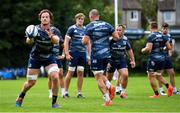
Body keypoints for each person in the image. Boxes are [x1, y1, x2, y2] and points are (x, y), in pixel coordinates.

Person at [16, 9, 62, 108]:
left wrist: (51, 36)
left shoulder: (54, 30)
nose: (45, 18)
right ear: (40, 19)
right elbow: (28, 42)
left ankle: (54, 102)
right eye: (43, 17)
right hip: (35, 58)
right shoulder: (35, 29)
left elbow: (57, 41)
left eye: (47, 17)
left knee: (55, 76)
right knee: (31, 82)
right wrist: (30, 37)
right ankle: (21, 95)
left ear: (50, 19)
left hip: (49, 57)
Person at [82, 9, 120, 106]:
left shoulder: (89, 26)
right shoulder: (107, 25)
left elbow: (85, 42)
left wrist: (85, 39)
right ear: (98, 16)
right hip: (107, 54)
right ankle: (110, 86)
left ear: (91, 17)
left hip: (96, 55)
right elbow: (116, 38)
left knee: (98, 77)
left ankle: (107, 100)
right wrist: (107, 43)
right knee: (100, 73)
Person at [141, 21, 173, 98]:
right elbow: (169, 48)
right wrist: (161, 48)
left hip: (153, 59)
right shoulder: (163, 36)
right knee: (158, 75)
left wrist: (143, 50)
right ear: (157, 27)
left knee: (150, 75)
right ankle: (169, 86)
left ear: (150, 28)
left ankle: (156, 94)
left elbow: (148, 49)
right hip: (162, 59)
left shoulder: (151, 36)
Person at [63, 13, 91, 98]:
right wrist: (67, 53)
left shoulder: (86, 29)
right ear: (76, 19)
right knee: (70, 72)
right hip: (73, 53)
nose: (81, 20)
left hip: (82, 54)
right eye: (79, 19)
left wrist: (89, 56)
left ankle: (79, 93)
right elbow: (66, 42)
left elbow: (89, 43)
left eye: (82, 19)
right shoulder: (72, 28)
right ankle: (65, 92)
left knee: (80, 72)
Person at [106, 24, 136, 99]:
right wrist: (107, 62)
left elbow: (129, 50)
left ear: (123, 31)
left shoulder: (125, 39)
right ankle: (107, 94)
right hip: (111, 61)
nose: (118, 31)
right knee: (108, 79)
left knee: (125, 75)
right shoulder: (111, 39)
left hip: (121, 60)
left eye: (120, 30)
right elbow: (106, 50)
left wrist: (132, 60)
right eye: (117, 30)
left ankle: (123, 92)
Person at [158, 23, 180, 95]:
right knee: (159, 74)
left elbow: (171, 45)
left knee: (172, 73)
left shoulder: (169, 36)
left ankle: (174, 89)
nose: (165, 30)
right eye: (164, 28)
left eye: (166, 28)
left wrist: (170, 52)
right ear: (161, 29)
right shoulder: (158, 36)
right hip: (160, 57)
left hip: (167, 57)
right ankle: (161, 90)